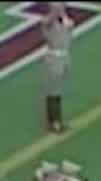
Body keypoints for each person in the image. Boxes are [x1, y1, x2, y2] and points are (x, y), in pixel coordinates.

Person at [42, 4, 73, 133]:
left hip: (64, 55)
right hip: (54, 57)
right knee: (53, 91)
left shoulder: (64, 19)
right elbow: (47, 22)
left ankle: (57, 120)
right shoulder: (48, 21)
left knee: (58, 90)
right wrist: (55, 13)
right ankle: (54, 122)